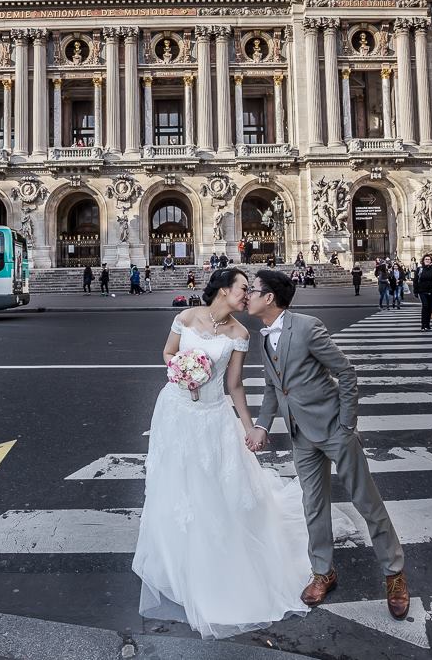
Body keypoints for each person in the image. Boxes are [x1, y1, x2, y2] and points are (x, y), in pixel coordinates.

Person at [134, 268, 311, 638]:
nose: (248, 295)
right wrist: (183, 371)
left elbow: (234, 385)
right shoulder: (185, 317)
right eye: (243, 289)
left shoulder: (240, 334)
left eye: (250, 291)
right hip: (175, 412)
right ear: (224, 289)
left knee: (212, 489)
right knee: (176, 483)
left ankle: (212, 562)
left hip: (212, 417)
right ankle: (177, 558)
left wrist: (249, 428)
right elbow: (168, 352)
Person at [245, 269, 410, 620]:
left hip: (334, 429)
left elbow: (346, 372)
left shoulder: (306, 327)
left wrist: (347, 424)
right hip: (300, 433)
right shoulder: (263, 336)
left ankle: (394, 574)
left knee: (367, 501)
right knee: (313, 506)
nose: (247, 296)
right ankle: (323, 571)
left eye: (253, 290)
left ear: (269, 298)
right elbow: (275, 388)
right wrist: (262, 424)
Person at [413, 254, 432, 331]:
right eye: (426, 259)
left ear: (431, 261)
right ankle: (423, 325)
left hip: (431, 290)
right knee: (425, 306)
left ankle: (428, 325)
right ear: (423, 260)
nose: (427, 260)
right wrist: (415, 291)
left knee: (429, 308)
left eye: (429, 259)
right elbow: (415, 280)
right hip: (422, 290)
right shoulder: (419, 269)